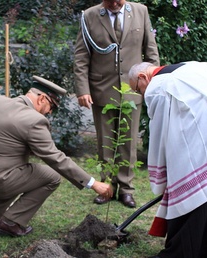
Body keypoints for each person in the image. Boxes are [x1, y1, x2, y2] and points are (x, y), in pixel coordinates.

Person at [128, 62, 207, 257]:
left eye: (138, 90)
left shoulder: (158, 86)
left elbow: (160, 134)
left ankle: (184, 252)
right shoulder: (192, 67)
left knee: (194, 191)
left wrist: (160, 174)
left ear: (143, 77)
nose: (141, 95)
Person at [0, 76, 113, 237]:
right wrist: (92, 183)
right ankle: (11, 222)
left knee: (18, 173)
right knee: (51, 177)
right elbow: (55, 158)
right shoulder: (34, 120)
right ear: (42, 98)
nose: (50, 112)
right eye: (52, 106)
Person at [74, 0, 160, 208]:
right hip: (101, 90)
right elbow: (81, 56)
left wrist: (153, 84)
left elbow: (151, 52)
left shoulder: (141, 12)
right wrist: (82, 89)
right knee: (106, 143)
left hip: (132, 90)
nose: (114, 3)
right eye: (109, 0)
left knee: (128, 143)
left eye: (118, 0)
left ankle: (127, 190)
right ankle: (107, 187)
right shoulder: (90, 16)